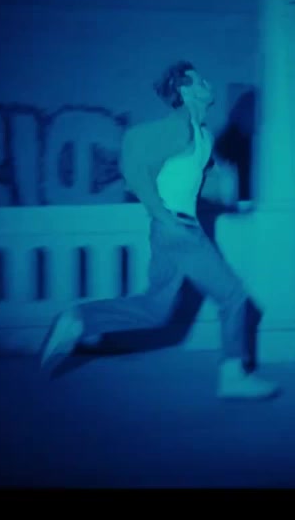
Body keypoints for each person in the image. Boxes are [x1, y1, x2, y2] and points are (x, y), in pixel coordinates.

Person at [38, 60, 279, 401]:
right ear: (185, 91)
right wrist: (162, 215)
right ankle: (233, 375)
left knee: (156, 309)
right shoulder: (176, 128)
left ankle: (78, 318)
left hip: (174, 230)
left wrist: (226, 190)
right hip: (177, 228)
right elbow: (135, 171)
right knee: (234, 297)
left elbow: (193, 184)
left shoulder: (201, 135)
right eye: (200, 82)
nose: (208, 85)